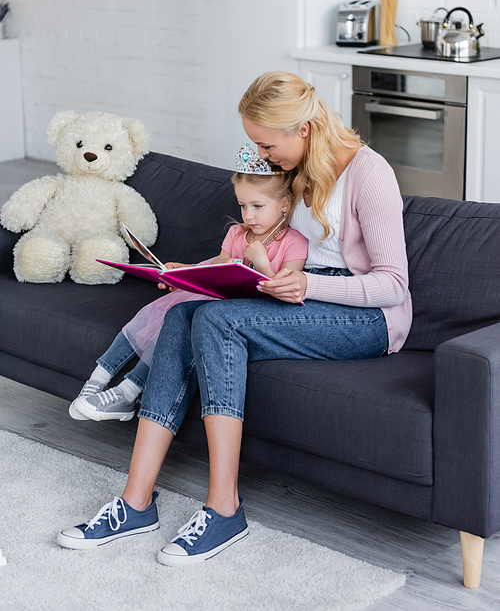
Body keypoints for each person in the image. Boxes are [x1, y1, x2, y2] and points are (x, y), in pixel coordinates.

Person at [58, 71, 412, 568]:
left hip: (367, 318)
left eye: (266, 144)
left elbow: (394, 286)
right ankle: (135, 502)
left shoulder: (368, 173)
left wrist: (310, 285)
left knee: (218, 323)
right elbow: (272, 248)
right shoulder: (297, 171)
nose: (263, 156)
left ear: (303, 129)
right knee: (184, 314)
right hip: (299, 298)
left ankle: (224, 508)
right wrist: (202, 274)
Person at [68, 144, 308, 423]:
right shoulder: (237, 232)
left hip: (242, 313)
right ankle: (96, 382)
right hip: (213, 298)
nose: (248, 215)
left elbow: (285, 291)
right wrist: (186, 272)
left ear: (284, 204)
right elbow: (219, 265)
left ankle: (127, 392)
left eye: (257, 206)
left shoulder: (295, 242)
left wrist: (262, 262)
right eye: (242, 206)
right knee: (153, 314)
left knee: (174, 326)